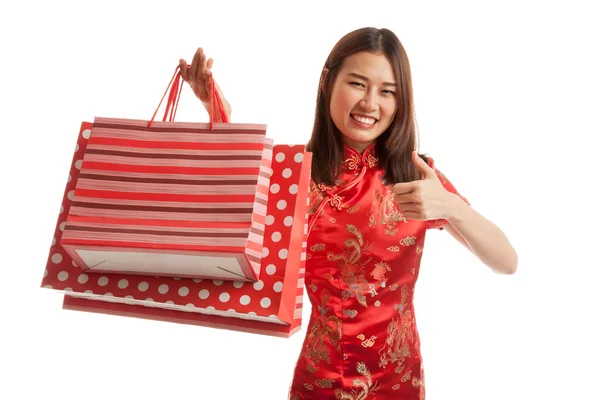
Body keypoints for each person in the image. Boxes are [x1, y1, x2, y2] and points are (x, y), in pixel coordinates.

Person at [179, 27, 518, 400]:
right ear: (328, 81)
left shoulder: (415, 176)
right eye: (357, 84)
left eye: (387, 91)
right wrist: (217, 112)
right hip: (320, 380)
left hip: (399, 381)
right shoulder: (299, 175)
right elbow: (237, 199)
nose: (371, 103)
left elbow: (506, 261)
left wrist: (451, 206)